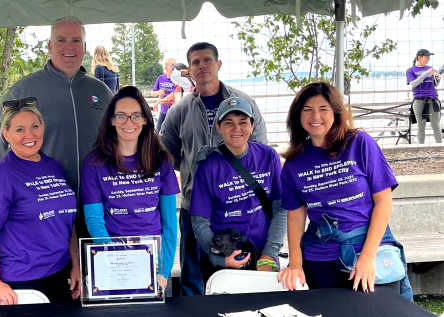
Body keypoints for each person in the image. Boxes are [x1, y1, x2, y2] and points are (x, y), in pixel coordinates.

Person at [277, 82, 412, 300]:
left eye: (323, 109)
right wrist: (295, 264)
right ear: (297, 115)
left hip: (369, 250)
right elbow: (296, 214)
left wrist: (367, 257)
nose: (315, 116)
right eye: (307, 109)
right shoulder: (293, 164)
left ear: (336, 113)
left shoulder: (359, 143)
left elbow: (384, 202)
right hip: (321, 254)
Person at [0, 17, 113, 238]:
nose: (69, 46)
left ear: (84, 47)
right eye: (61, 40)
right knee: (54, 272)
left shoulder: (101, 92)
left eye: (76, 40)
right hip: (43, 213)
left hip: (96, 211)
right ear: (50, 46)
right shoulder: (23, 90)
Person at [160, 42, 268, 296]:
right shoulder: (178, 111)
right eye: (195, 62)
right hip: (193, 206)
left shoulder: (244, 103)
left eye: (207, 60)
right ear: (189, 71)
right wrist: (192, 171)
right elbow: (167, 152)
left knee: (242, 273)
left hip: (240, 206)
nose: (202, 66)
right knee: (193, 277)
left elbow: (259, 149)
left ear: (219, 65)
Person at [0, 97, 80, 304]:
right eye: (19, 129)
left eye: (35, 126)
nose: (29, 135)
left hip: (60, 275)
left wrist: (75, 263)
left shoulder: (53, 167)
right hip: (23, 282)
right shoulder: (0, 176)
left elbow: (68, 221)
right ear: (6, 134)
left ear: (43, 127)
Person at [80, 86, 179, 289]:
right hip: (113, 262)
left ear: (145, 119)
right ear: (111, 120)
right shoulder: (94, 163)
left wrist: (164, 270)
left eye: (135, 116)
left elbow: (170, 224)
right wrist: (118, 260)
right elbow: (94, 220)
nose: (128, 122)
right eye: (121, 116)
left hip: (154, 260)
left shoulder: (161, 161)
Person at [190, 97, 286, 284]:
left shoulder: (268, 156)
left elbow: (281, 209)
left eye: (243, 122)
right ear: (218, 127)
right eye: (229, 123)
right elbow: (199, 220)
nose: (237, 129)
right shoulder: (207, 166)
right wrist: (219, 258)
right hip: (224, 258)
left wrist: (269, 253)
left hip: (262, 255)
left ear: (252, 125)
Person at [406, 49, 444, 144]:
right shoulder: (411, 70)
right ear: (419, 57)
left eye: (429, 57)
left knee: (436, 125)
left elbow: (435, 85)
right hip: (419, 100)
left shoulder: (431, 68)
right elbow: (413, 84)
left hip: (433, 99)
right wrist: (427, 73)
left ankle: (439, 146)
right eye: (426, 57)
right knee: (421, 126)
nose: (428, 59)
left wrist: (438, 79)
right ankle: (420, 147)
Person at [152, 58, 177, 131]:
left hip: (174, 112)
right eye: (172, 65)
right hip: (163, 111)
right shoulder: (160, 78)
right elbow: (153, 93)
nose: (174, 67)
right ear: (166, 68)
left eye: (176, 65)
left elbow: (173, 94)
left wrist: (159, 102)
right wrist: (158, 92)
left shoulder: (177, 79)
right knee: (157, 132)